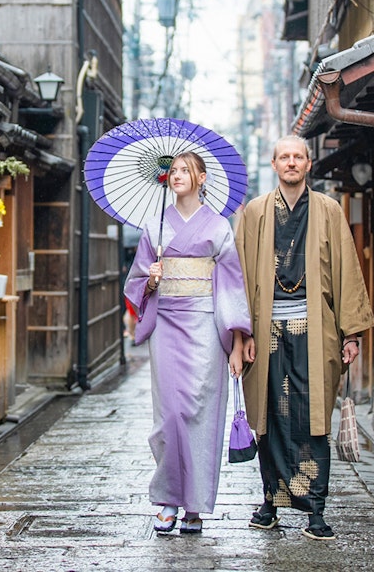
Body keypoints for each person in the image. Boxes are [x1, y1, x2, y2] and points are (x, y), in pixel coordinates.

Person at [234, 135, 374, 541]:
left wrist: (351, 334)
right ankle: (270, 502)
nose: (291, 163)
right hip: (266, 332)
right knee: (270, 418)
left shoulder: (328, 210)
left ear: (309, 164)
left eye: (298, 156)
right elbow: (240, 276)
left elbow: (347, 269)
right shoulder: (256, 212)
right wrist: (241, 335)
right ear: (274, 164)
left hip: (317, 332)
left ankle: (315, 509)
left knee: (313, 420)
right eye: (284, 157)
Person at [124, 151, 252, 535]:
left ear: (201, 178)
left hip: (205, 325)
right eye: (174, 171)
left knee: (201, 412)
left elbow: (231, 285)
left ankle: (195, 505)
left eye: (185, 170)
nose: (177, 175)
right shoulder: (155, 225)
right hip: (165, 323)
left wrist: (236, 341)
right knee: (169, 415)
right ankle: (167, 499)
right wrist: (151, 279)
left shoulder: (219, 227)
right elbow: (135, 283)